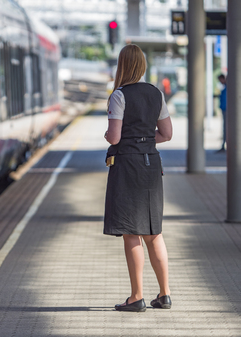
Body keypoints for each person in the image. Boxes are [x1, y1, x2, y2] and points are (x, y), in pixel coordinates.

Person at [103, 44, 173, 312]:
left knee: (132, 232)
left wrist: (111, 137)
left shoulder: (119, 95)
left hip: (128, 166)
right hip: (152, 165)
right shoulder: (156, 93)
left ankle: (136, 297)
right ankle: (164, 294)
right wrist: (144, 140)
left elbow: (115, 137)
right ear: (142, 65)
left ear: (122, 66)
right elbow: (166, 134)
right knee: (154, 232)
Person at [217, 74, 227, 152]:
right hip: (224, 109)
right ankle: (224, 144)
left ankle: (224, 144)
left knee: (226, 128)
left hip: (227, 110)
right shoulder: (225, 87)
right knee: (225, 128)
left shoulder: (228, 88)